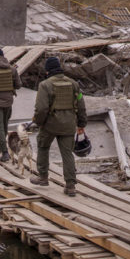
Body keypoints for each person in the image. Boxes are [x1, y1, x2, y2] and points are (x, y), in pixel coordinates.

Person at [30, 57, 86, 196]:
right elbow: (81, 105)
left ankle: (43, 177)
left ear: (48, 70)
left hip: (50, 125)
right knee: (67, 154)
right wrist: (81, 123)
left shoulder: (45, 85)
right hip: (68, 125)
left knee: (43, 146)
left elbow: (41, 108)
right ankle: (71, 186)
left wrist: (38, 123)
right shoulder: (74, 84)